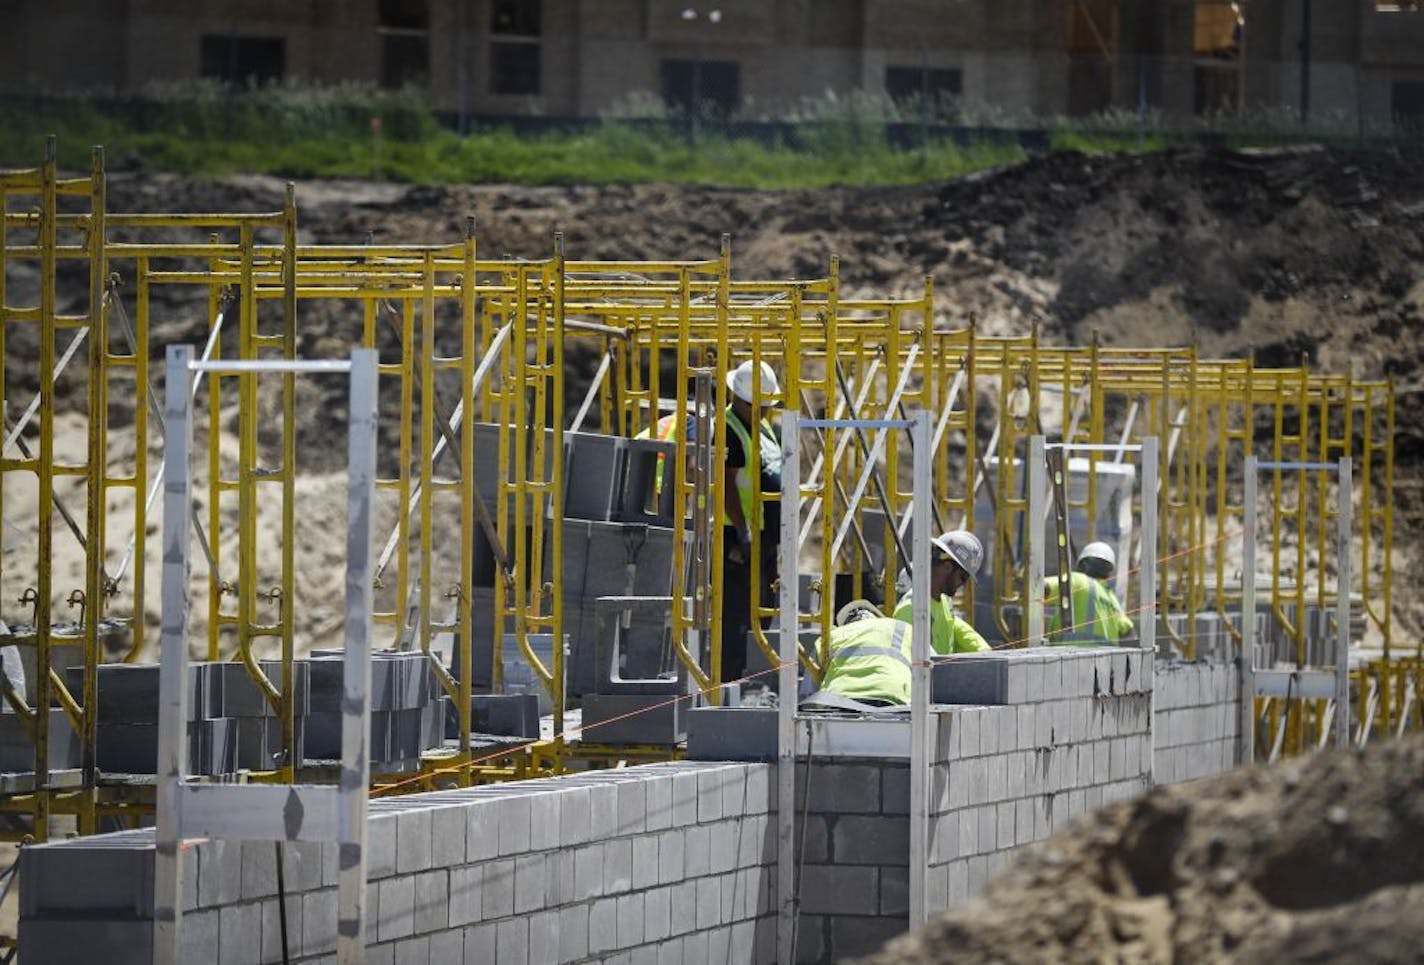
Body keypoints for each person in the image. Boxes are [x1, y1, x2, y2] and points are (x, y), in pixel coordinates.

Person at [720, 359, 782, 684]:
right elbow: (727, 482)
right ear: (740, 399)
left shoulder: (762, 426)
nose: (764, 412)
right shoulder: (728, 428)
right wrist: (743, 532)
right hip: (737, 537)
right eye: (758, 406)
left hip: (763, 537)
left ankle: (752, 681)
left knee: (762, 611)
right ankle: (729, 685)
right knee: (735, 619)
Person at [891, 530, 991, 654]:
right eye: (963, 576)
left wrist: (985, 652)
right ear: (948, 567)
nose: (964, 584)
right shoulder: (911, 610)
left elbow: (957, 628)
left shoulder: (944, 603)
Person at [802, 603, 914, 709]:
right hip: (892, 697)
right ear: (877, 617)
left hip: (837, 700)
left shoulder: (830, 635)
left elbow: (809, 691)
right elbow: (928, 665)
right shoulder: (902, 628)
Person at [1044, 541, 1134, 646]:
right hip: (1108, 660)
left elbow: (1043, 587)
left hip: (1071, 657)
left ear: (1083, 564)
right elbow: (1128, 631)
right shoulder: (1111, 598)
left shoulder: (1079, 580)